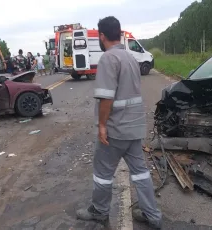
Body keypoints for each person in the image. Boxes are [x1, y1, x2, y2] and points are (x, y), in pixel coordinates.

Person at [76, 16, 162, 229]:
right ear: (120, 33)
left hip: (116, 129)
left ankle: (99, 210)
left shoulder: (108, 58)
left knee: (103, 173)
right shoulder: (130, 57)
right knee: (140, 172)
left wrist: (103, 126)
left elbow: (107, 97)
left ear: (102, 36)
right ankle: (153, 215)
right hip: (135, 127)